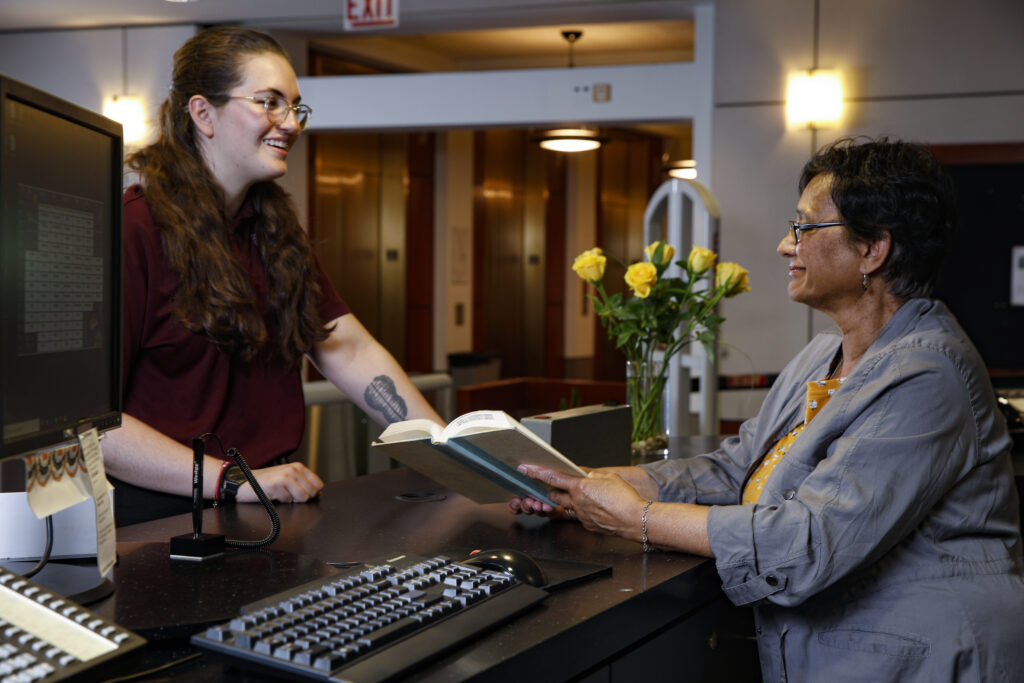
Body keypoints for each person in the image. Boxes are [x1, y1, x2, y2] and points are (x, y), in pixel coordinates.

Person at [512, 138, 1024, 680]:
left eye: (804, 228)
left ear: (874, 249)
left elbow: (805, 546)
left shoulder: (928, 373)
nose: (785, 245)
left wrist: (635, 518)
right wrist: (603, 482)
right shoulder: (824, 353)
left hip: (923, 662)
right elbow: (740, 467)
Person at [102, 26, 443, 526]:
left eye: (295, 107)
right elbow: (94, 427)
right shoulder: (134, 229)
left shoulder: (275, 231)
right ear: (202, 114)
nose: (290, 123)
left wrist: (454, 454)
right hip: (166, 526)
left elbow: (346, 348)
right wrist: (234, 480)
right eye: (269, 102)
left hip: (269, 508)